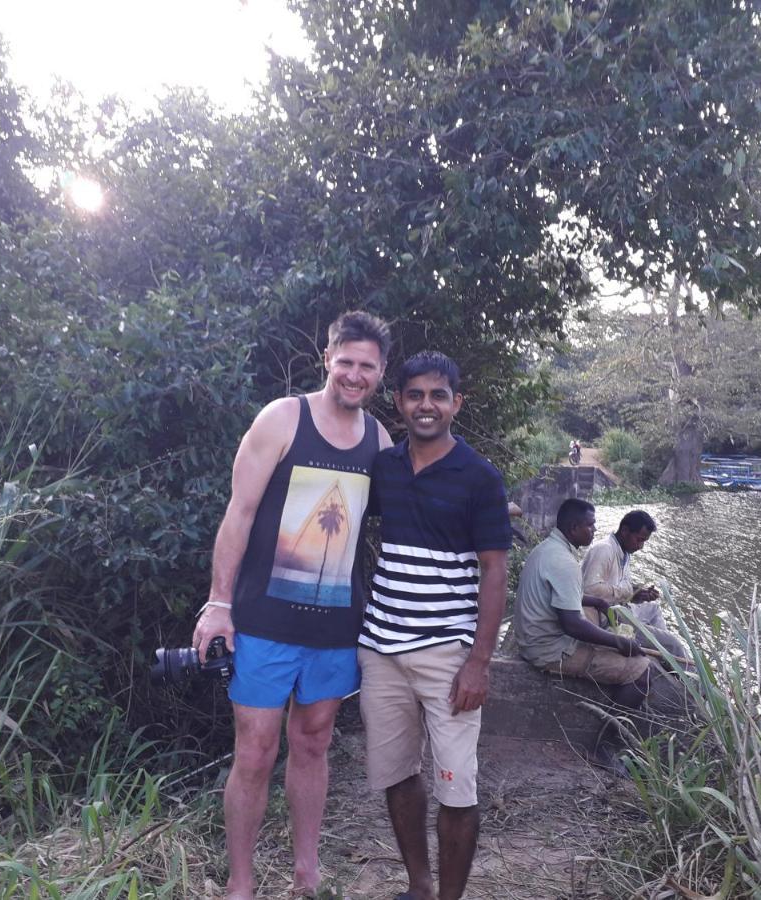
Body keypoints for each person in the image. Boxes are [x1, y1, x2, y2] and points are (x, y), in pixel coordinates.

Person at [192, 310, 393, 900]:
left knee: (314, 741)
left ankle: (307, 873)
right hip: (263, 619)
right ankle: (242, 883)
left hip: (335, 627)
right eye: (346, 362)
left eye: (368, 366)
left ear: (380, 373)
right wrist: (217, 603)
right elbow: (240, 513)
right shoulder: (283, 419)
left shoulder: (378, 440)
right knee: (255, 749)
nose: (355, 375)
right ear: (327, 359)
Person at [358, 351, 512, 900]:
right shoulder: (386, 469)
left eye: (438, 395)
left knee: (457, 789)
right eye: (416, 395)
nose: (427, 405)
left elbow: (495, 570)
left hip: (448, 653)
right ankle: (419, 886)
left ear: (456, 404)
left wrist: (479, 660)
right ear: (398, 403)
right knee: (397, 775)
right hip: (380, 649)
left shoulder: (479, 478)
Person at [514, 498, 694, 743]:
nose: (595, 529)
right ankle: (602, 744)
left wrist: (596, 602)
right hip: (549, 649)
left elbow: (564, 598)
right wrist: (617, 642)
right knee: (643, 671)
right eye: (590, 525)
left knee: (610, 629)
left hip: (535, 637)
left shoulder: (547, 549)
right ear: (574, 527)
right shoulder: (565, 562)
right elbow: (572, 625)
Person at [581, 509, 690, 663]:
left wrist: (636, 595)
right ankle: (690, 678)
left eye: (644, 541)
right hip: (608, 617)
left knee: (653, 608)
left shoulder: (624, 553)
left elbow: (618, 588)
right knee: (673, 642)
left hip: (620, 609)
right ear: (625, 531)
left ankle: (663, 655)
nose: (641, 546)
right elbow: (590, 590)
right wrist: (628, 591)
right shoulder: (604, 549)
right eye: (639, 540)